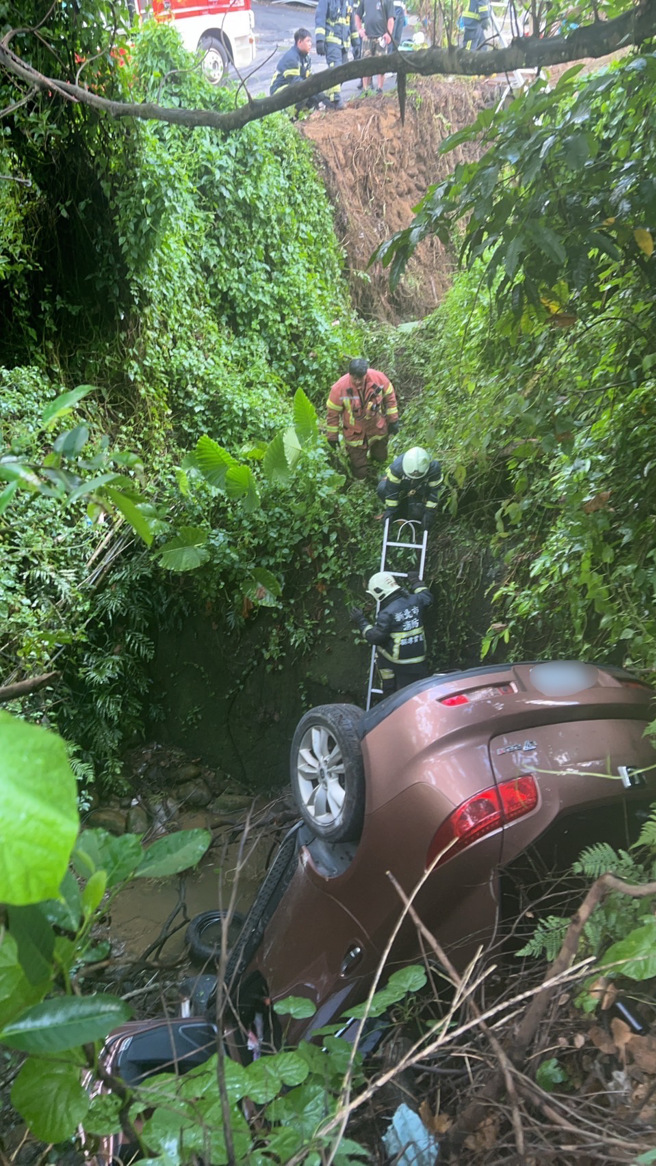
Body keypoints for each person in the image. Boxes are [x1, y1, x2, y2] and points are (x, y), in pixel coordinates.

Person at [350, 570, 433, 695]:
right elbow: (427, 596)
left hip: (399, 662)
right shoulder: (415, 600)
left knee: (380, 654)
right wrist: (415, 581)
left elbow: (375, 638)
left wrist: (361, 621)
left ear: (378, 592)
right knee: (414, 693)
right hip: (419, 658)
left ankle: (388, 688)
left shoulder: (387, 613)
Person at [326, 358, 400, 479]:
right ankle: (363, 480)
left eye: (360, 378)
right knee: (359, 471)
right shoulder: (339, 388)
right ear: (350, 374)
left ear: (366, 373)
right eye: (354, 378)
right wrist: (332, 437)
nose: (358, 381)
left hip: (377, 430)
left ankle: (379, 476)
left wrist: (393, 420)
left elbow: (390, 398)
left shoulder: (379, 378)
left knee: (381, 458)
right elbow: (332, 414)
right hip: (355, 434)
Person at [377, 446, 443, 529]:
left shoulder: (434, 469)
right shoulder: (397, 467)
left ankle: (411, 514)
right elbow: (391, 490)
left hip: (420, 490)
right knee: (382, 489)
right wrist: (390, 510)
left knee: (416, 513)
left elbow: (435, 492)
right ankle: (398, 513)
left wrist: (429, 513)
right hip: (403, 486)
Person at [270, 28, 332, 110]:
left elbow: (310, 78)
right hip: (278, 91)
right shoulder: (291, 58)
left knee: (313, 95)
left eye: (310, 41)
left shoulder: (306, 57)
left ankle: (305, 112)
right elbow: (296, 83)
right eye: (308, 41)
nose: (310, 44)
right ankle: (292, 117)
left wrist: (322, 96)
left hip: (291, 88)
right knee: (303, 91)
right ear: (299, 42)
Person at [315, 0, 359, 110]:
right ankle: (336, 100)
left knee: (345, 71)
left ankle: (325, 96)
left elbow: (352, 24)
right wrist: (320, 39)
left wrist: (356, 43)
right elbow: (320, 17)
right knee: (336, 69)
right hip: (331, 42)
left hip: (344, 44)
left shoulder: (349, 2)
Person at [355, 0, 395, 94]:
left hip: (381, 38)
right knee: (366, 64)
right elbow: (357, 15)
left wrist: (389, 33)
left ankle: (379, 89)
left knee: (381, 65)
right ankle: (365, 90)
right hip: (367, 37)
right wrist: (360, 29)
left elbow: (391, 19)